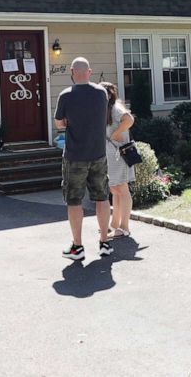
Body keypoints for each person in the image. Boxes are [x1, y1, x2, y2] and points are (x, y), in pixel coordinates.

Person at [54, 58, 112, 260]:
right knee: (102, 197)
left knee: (74, 200)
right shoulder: (101, 93)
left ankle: (77, 247)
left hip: (74, 156)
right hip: (98, 153)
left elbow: (59, 124)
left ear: (71, 71)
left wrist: (69, 121)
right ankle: (104, 242)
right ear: (89, 71)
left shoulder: (65, 95)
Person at [102, 82, 135, 238]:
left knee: (122, 189)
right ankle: (115, 224)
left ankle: (124, 227)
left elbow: (128, 119)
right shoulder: (105, 109)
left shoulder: (115, 107)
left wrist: (116, 134)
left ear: (109, 94)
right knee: (115, 190)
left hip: (119, 155)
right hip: (111, 156)